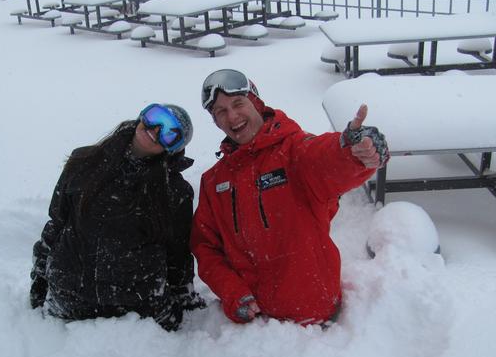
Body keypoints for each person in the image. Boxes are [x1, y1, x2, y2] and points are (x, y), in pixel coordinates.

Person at [190, 69, 389, 325]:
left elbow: (325, 159)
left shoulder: (294, 150)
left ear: (257, 104)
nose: (232, 116)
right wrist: (233, 292)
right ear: (216, 122)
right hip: (253, 326)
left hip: (313, 323)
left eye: (238, 103)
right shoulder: (214, 181)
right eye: (220, 111)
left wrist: (352, 152)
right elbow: (206, 247)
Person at [29, 103, 205, 331]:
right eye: (155, 118)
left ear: (173, 149)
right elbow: (57, 223)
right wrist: (40, 275)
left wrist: (183, 295)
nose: (156, 130)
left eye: (170, 134)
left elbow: (177, 253)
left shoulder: (175, 191)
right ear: (142, 116)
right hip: (69, 297)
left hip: (139, 310)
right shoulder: (83, 162)